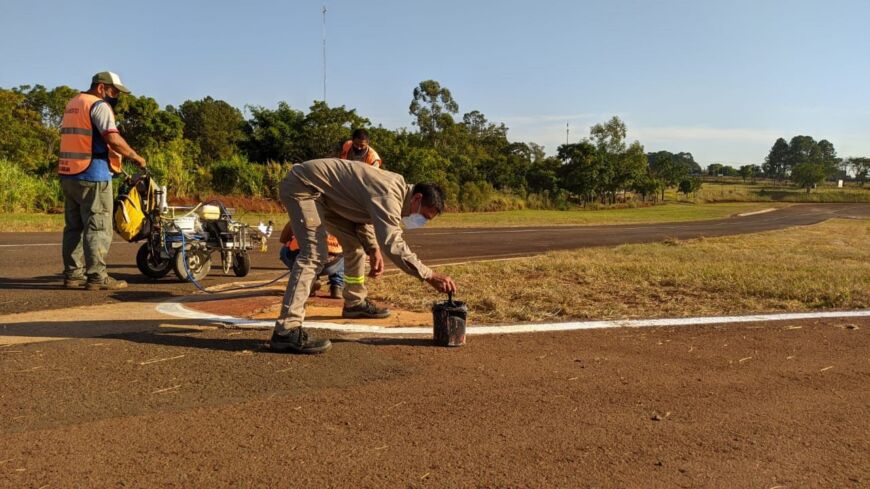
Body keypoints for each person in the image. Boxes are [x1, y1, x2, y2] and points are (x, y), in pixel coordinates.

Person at [271, 158, 456, 354]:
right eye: (424, 216)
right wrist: (429, 275)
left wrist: (372, 248)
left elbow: (361, 217)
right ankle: (286, 329)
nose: (421, 222)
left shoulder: (395, 192)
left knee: (354, 247)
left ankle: (354, 302)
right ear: (417, 198)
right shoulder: (389, 193)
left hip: (327, 197)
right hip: (305, 187)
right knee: (313, 254)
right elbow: (392, 241)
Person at [59, 71, 147, 290]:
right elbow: (112, 138)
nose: (116, 96)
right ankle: (97, 277)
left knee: (74, 228)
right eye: (114, 91)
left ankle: (72, 274)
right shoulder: (99, 106)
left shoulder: (73, 103)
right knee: (98, 227)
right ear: (101, 88)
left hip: (69, 174)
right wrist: (136, 157)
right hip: (93, 175)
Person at [278, 221, 345, 299]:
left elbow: (283, 239)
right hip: (331, 264)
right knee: (344, 251)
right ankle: (337, 286)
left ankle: (309, 281)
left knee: (285, 250)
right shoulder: (337, 218)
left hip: (305, 262)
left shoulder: (301, 215)